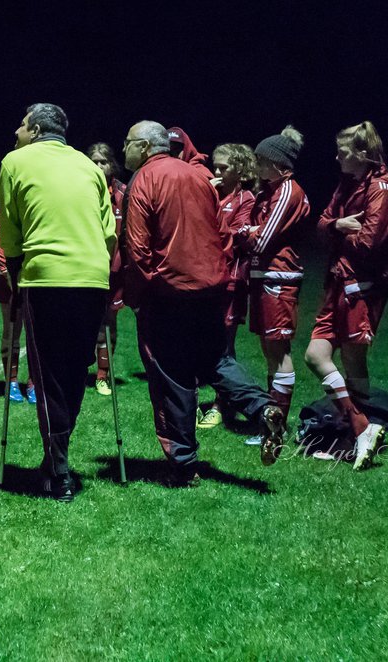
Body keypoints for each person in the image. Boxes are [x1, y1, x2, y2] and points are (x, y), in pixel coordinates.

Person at [121, 121, 285, 487]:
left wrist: (138, 294)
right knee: (216, 360)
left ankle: (183, 465)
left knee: (172, 377)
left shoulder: (143, 180)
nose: (124, 149)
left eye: (128, 143)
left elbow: (138, 248)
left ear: (146, 148)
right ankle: (263, 407)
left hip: (168, 292)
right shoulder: (199, 177)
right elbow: (221, 232)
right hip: (210, 287)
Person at [0, 104, 115, 502]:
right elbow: (109, 233)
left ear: (35, 129)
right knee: (73, 369)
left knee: (46, 373)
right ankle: (58, 457)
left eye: (21, 123)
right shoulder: (89, 166)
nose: (16, 130)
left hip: (46, 277)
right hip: (92, 276)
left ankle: (59, 467)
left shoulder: (14, 161)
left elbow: (8, 227)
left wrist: (14, 270)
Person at [304, 120, 388, 470]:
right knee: (316, 355)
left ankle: (352, 438)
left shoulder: (383, 189)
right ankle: (362, 427)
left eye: (342, 152)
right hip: (337, 282)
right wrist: (338, 225)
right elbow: (321, 225)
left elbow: (368, 245)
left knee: (352, 361)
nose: (336, 158)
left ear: (362, 154)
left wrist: (339, 230)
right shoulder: (346, 185)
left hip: (361, 288)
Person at [235, 127, 311, 462]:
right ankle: (272, 420)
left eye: (263, 161)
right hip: (265, 277)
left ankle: (276, 426)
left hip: (278, 278)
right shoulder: (272, 190)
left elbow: (262, 240)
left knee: (278, 350)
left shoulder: (288, 192)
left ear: (280, 164)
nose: (257, 167)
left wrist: (244, 233)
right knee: (270, 349)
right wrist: (247, 232)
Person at [197, 142, 257, 429]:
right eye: (216, 166)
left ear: (241, 171)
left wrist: (215, 233)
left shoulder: (245, 198)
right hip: (206, 278)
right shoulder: (211, 192)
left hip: (231, 281)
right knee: (203, 340)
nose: (217, 172)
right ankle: (205, 398)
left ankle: (221, 405)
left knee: (224, 345)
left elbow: (239, 233)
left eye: (225, 167)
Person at [86, 142, 127, 397]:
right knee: (85, 319)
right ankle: (82, 365)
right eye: (94, 161)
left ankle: (103, 375)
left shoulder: (123, 193)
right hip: (86, 266)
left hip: (114, 268)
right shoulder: (80, 190)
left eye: (103, 161)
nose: (99, 166)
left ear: (112, 165)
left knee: (108, 321)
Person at [0, 206, 34, 404]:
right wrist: (5, 267)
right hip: (7, 269)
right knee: (11, 329)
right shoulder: (8, 183)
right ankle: (12, 380)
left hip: (36, 270)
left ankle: (35, 382)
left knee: (36, 331)